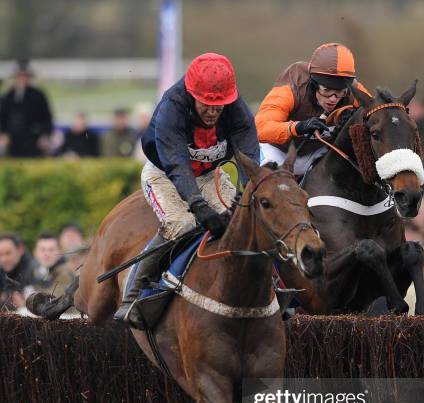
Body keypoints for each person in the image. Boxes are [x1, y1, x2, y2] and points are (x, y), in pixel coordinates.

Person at [114, 52, 260, 327]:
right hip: (165, 175)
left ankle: (269, 288)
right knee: (181, 224)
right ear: (193, 94)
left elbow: (249, 155)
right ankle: (132, 295)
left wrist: (246, 190)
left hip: (208, 176)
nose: (213, 112)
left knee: (241, 223)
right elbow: (176, 164)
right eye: (207, 105)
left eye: (220, 106)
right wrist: (199, 205)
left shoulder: (236, 107)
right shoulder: (172, 106)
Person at [255, 42, 370, 176]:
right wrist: (297, 128)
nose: (333, 99)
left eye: (340, 92)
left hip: (315, 154)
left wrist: (354, 121)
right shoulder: (292, 86)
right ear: (314, 84)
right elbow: (260, 128)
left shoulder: (353, 90)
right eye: (326, 90)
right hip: (277, 151)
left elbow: (378, 116)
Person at [0, 60, 53, 158]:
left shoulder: (38, 95)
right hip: (13, 141)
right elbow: (2, 117)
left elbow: (47, 117)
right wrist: (3, 134)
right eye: (20, 76)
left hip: (34, 140)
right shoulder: (8, 96)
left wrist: (45, 135)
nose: (23, 79)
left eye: (25, 76)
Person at [0, 232, 41, 310]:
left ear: (20, 250)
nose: (3, 259)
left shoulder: (33, 269)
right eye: (0, 254)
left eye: (8, 253)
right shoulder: (2, 268)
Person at [32, 232, 75, 298]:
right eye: (42, 250)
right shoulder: (34, 271)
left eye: (51, 250)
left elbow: (52, 300)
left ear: (60, 253)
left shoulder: (65, 273)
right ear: (35, 252)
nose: (47, 254)